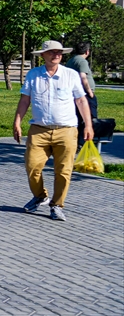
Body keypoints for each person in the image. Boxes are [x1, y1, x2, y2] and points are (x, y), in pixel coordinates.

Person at [12, 40, 93, 222]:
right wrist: (17, 121)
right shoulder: (34, 74)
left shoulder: (70, 75)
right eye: (52, 52)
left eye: (59, 52)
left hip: (66, 131)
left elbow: (81, 100)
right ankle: (40, 196)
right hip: (38, 130)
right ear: (43, 55)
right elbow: (25, 100)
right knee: (32, 166)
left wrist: (88, 125)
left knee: (64, 171)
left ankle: (57, 205)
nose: (56, 55)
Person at [65, 42, 97, 137]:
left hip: (75, 93)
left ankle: (77, 138)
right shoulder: (82, 61)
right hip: (84, 93)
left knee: (78, 116)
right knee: (89, 116)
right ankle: (85, 138)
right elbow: (83, 76)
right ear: (87, 51)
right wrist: (89, 92)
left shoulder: (71, 60)